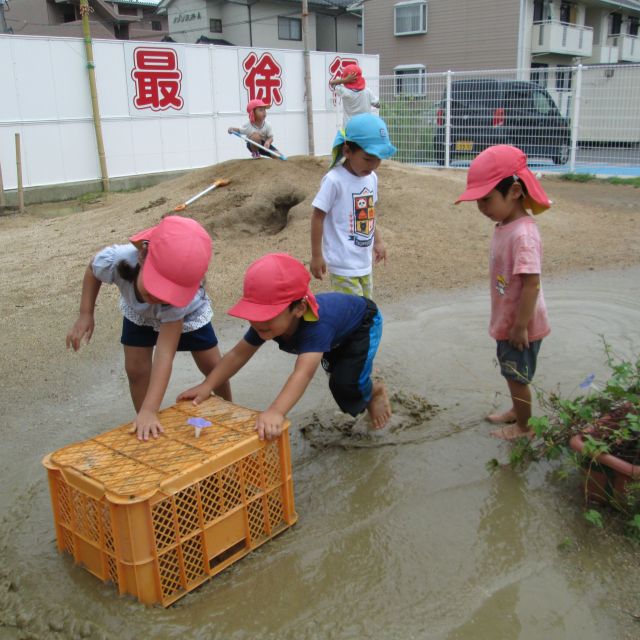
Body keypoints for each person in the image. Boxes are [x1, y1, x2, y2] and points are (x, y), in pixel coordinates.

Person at [177, 253, 392, 440]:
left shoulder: (316, 327)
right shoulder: (266, 325)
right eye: (253, 314)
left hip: (363, 325)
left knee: (344, 384)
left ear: (299, 308)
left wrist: (276, 411)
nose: (258, 322)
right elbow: (237, 355)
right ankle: (362, 385)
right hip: (337, 331)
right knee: (342, 385)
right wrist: (207, 385)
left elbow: (303, 373)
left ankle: (375, 391)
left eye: (266, 315)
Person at [66, 215, 232, 441]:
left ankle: (229, 410)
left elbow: (165, 354)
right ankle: (145, 422)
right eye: (155, 286)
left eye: (166, 293)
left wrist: (150, 408)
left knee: (213, 367)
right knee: (135, 369)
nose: (157, 297)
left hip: (188, 314)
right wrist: (86, 314)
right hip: (139, 315)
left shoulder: (174, 302)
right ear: (143, 255)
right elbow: (92, 270)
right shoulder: (117, 259)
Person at [455, 145, 551, 441]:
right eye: (478, 201)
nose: (482, 207)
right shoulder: (506, 225)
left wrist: (520, 326)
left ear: (515, 191)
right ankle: (516, 410)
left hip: (520, 325)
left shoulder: (523, 235)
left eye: (487, 199)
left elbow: (532, 283)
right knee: (512, 374)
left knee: (516, 376)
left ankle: (524, 428)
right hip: (510, 320)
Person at [310, 113, 397, 299]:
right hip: (343, 265)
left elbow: (369, 214)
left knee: (365, 312)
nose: (373, 165)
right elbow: (317, 216)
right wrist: (317, 255)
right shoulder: (334, 180)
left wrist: (378, 241)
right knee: (353, 316)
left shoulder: (371, 178)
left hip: (363, 262)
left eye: (378, 159)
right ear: (347, 151)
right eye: (368, 159)